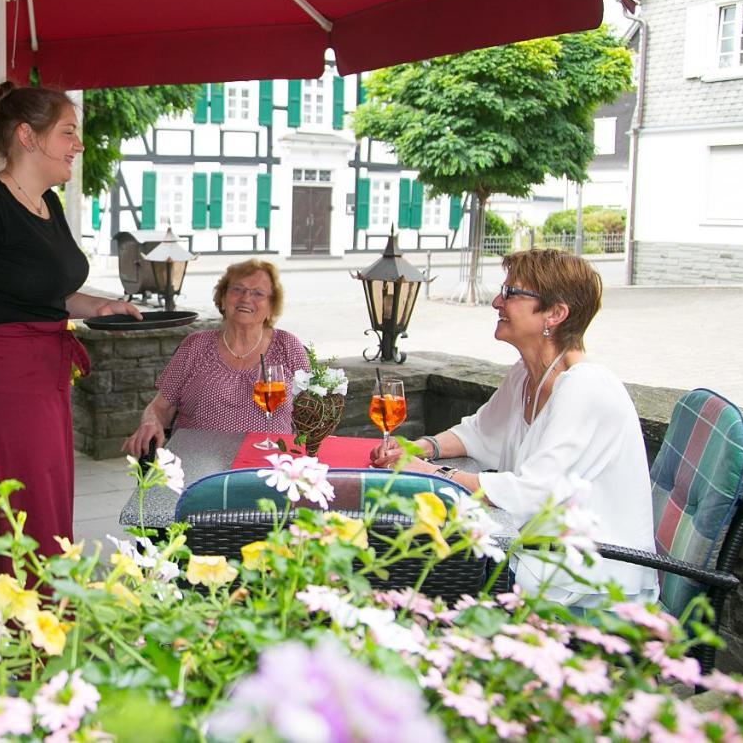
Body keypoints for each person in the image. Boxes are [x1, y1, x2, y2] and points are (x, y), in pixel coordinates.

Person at [0, 82, 140, 586]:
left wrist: (97, 306)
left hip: (42, 380)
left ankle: (26, 632)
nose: (78, 145)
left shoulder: (48, 205)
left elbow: (43, 293)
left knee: (39, 512)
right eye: (67, 133)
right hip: (1, 384)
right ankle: (16, 643)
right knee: (18, 516)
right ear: (27, 136)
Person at [370, 249, 657, 608]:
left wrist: (431, 474)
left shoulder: (585, 387)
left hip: (585, 578)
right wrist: (416, 448)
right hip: (536, 553)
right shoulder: (527, 373)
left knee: (403, 561)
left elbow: (528, 493)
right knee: (398, 547)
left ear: (555, 312)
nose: (495, 301)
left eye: (511, 293)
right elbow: (478, 432)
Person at [121, 259, 309, 457]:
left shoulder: (288, 346)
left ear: (271, 305)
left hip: (271, 464)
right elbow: (160, 408)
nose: (246, 298)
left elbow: (312, 410)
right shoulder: (195, 346)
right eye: (237, 289)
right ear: (223, 298)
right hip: (196, 461)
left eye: (258, 293)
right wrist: (151, 421)